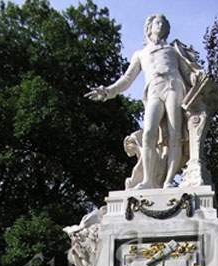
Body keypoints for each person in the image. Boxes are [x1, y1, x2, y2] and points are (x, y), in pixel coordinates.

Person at [85, 14, 204, 189]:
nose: (160, 25)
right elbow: (127, 79)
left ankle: (169, 180)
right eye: (157, 22)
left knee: (175, 135)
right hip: (154, 89)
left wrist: (196, 78)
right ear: (149, 28)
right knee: (148, 134)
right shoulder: (141, 54)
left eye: (163, 23)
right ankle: (148, 180)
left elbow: (187, 73)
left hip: (173, 86)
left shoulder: (173, 50)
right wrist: (108, 91)